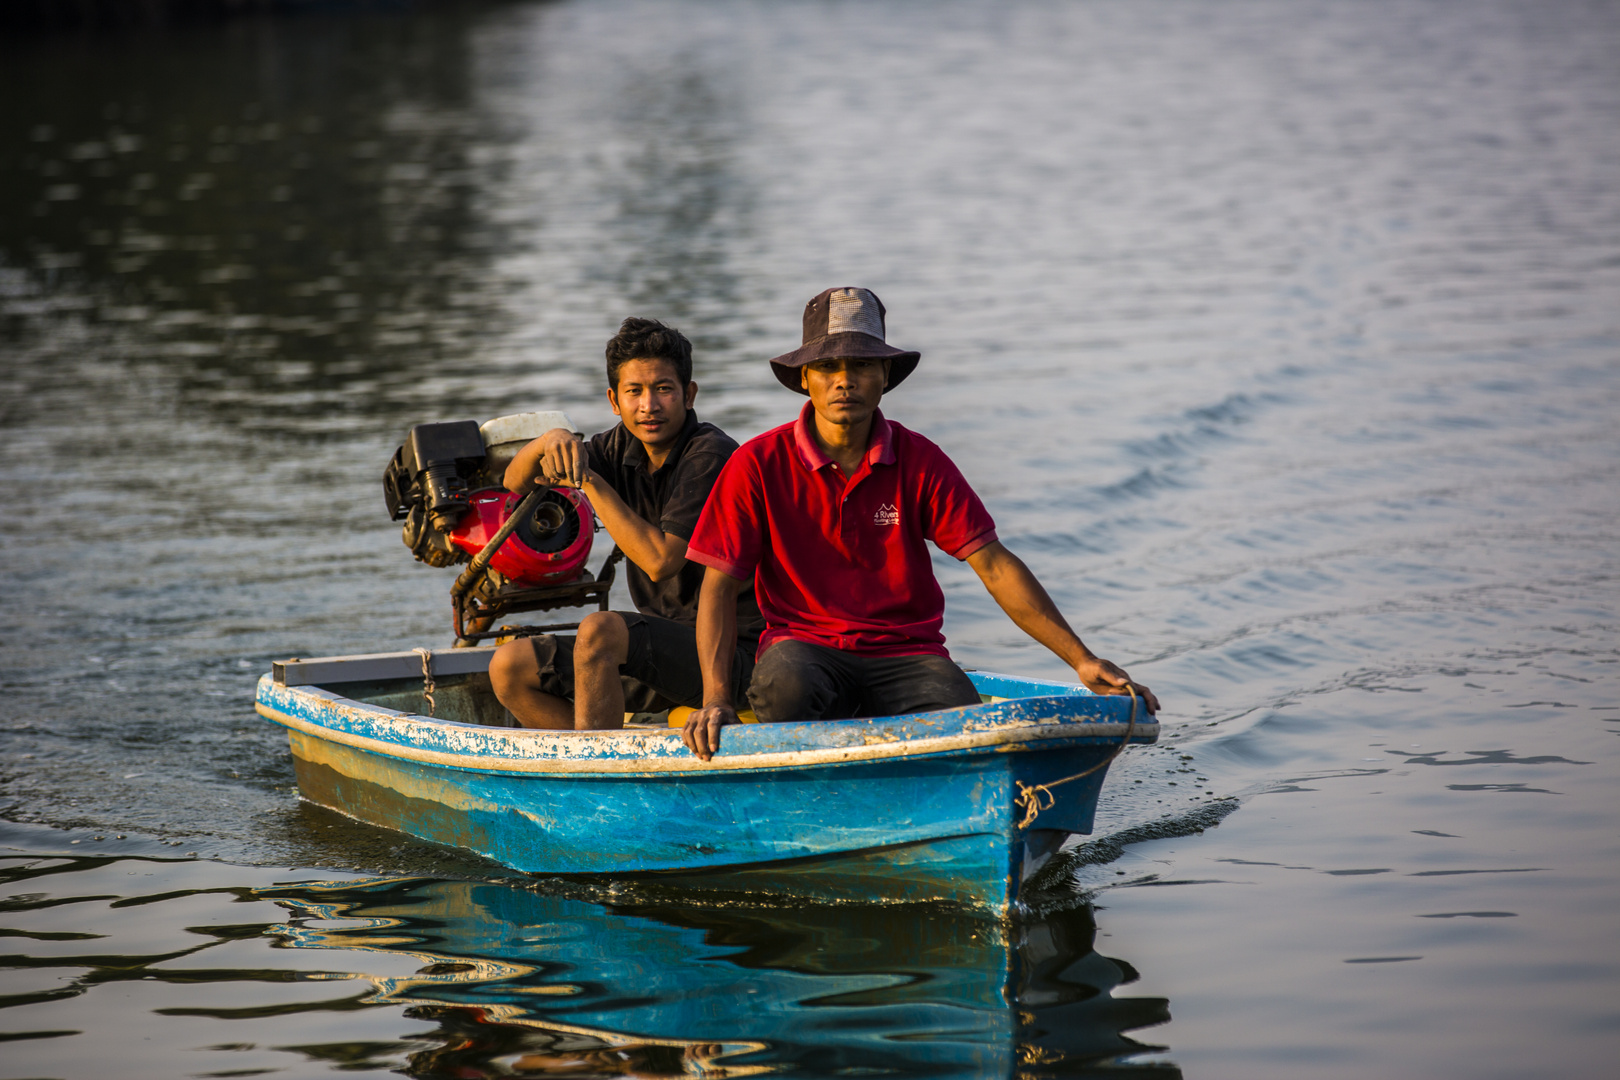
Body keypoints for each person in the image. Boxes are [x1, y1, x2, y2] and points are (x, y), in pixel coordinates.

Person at [680, 287, 1160, 760]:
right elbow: (718, 587)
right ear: (805, 378)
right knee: (786, 684)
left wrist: (1082, 659)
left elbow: (993, 565)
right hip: (804, 649)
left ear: (885, 376)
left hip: (905, 653)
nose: (844, 380)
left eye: (862, 365)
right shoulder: (758, 463)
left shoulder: (919, 460)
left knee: (962, 720)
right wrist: (717, 698)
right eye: (828, 367)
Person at [488, 317, 763, 730]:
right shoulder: (616, 446)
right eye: (634, 392)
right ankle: (587, 765)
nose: (648, 406)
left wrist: (588, 481)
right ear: (615, 401)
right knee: (510, 666)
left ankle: (599, 774)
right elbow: (514, 482)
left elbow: (660, 560)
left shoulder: (711, 454)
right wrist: (550, 439)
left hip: (731, 657)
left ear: (689, 394)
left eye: (663, 389)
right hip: (661, 650)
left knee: (601, 630)